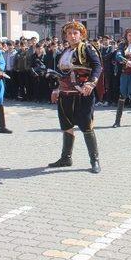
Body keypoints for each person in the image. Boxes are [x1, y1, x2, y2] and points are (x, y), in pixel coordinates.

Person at [48, 21, 103, 173]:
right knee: (66, 125)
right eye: (69, 33)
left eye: (75, 33)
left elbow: (98, 66)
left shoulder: (88, 48)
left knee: (86, 125)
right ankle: (66, 158)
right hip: (65, 94)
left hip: (83, 93)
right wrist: (56, 88)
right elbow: (62, 74)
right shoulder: (64, 52)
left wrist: (91, 83)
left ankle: (95, 160)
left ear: (81, 34)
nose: (72, 36)